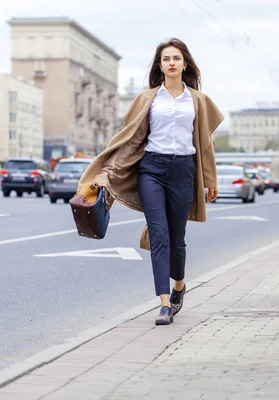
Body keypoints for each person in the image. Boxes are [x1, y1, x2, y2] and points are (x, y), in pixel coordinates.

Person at [75, 38, 223, 326]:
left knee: (177, 239)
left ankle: (179, 285)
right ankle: (164, 303)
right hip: (152, 169)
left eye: (176, 58)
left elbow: (205, 144)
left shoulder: (197, 100)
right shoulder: (148, 99)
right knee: (159, 234)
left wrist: (211, 179)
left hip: (183, 171)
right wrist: (106, 173)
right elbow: (130, 139)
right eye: (166, 58)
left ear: (185, 64)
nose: (171, 63)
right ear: (160, 65)